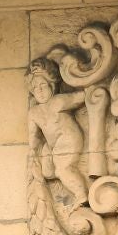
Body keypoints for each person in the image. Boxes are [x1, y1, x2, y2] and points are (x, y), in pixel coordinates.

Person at [26, 58, 88, 206]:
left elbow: (80, 97)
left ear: (51, 86)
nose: (40, 90)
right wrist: (33, 150)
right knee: (47, 172)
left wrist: (90, 88)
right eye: (35, 88)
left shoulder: (58, 101)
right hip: (52, 144)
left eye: (43, 85)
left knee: (62, 169)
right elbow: (33, 135)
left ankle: (81, 195)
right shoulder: (33, 113)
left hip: (68, 139)